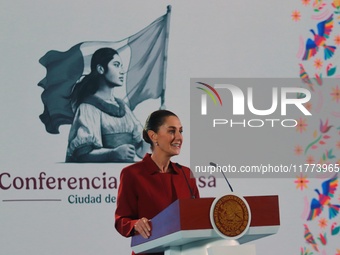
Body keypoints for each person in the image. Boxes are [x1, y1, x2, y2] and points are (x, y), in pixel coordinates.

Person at [115, 109, 200, 255]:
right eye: (172, 131)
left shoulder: (186, 174)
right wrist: (136, 224)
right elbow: (121, 221)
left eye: (181, 131)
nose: (179, 137)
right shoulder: (132, 174)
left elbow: (198, 216)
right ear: (153, 136)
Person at [65, 47, 149, 163]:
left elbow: (141, 150)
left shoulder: (123, 107)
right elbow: (83, 154)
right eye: (116, 65)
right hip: (101, 176)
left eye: (121, 66)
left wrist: (156, 134)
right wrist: (113, 153)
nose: (122, 71)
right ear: (100, 69)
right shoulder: (88, 107)